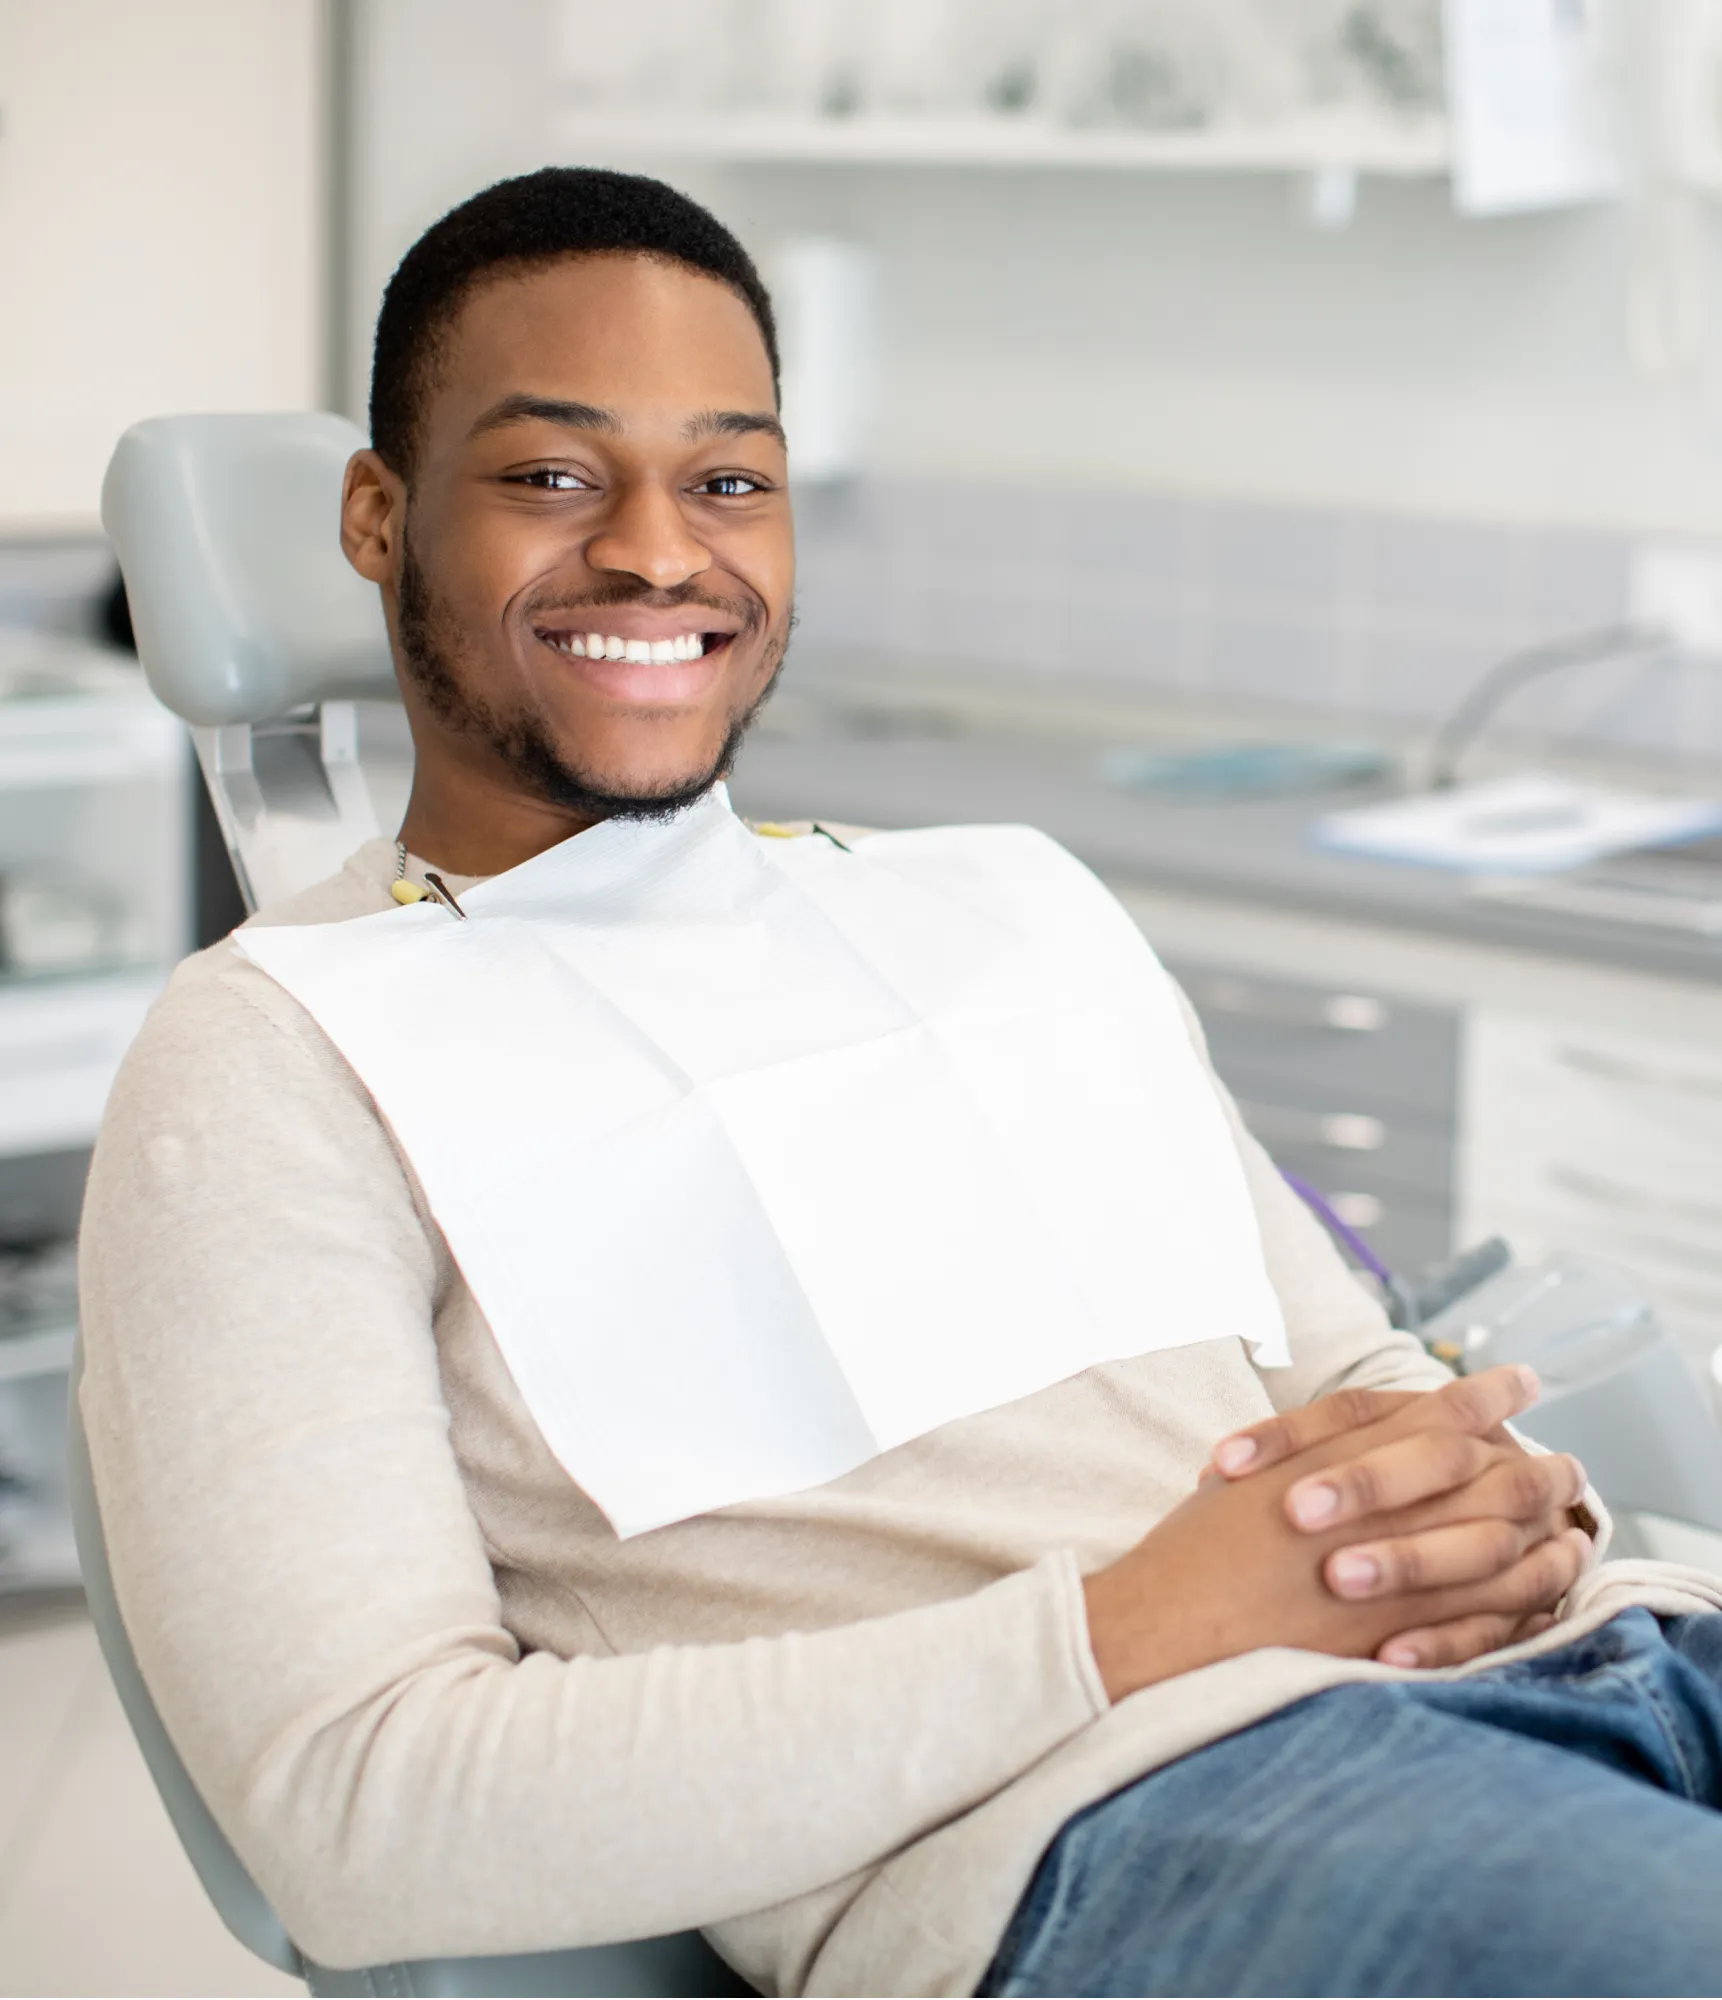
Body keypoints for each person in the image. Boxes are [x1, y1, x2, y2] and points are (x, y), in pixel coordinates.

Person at [77, 167, 1722, 1999]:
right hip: (1169, 1821)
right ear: (377, 519)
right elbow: (357, 1812)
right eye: (551, 474)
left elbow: (1352, 1372)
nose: (653, 548)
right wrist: (1125, 1630)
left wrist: (1512, 1505)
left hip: (1627, 1653)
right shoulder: (280, 1050)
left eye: (728, 481)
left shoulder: (1003, 903)